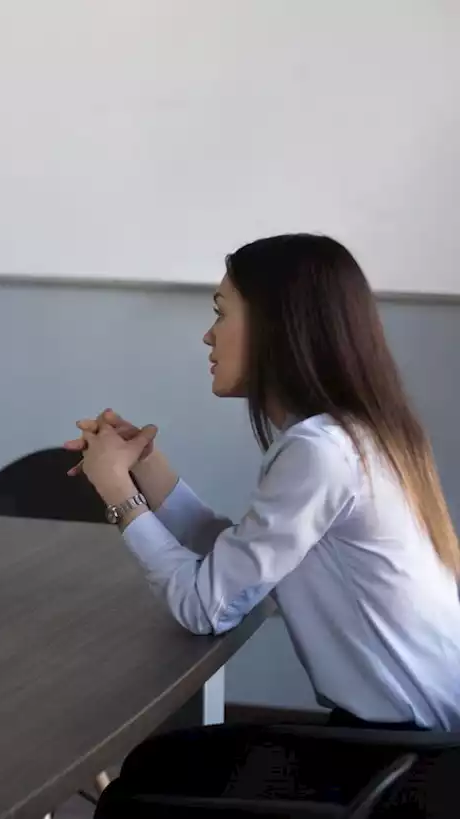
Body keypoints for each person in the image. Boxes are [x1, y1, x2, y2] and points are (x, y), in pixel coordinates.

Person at [65, 234, 460, 813]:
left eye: (222, 314)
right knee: (157, 764)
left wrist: (117, 493)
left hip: (408, 763)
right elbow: (240, 564)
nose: (208, 334)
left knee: (144, 786)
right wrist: (146, 469)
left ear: (279, 327)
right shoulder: (355, 436)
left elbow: (206, 606)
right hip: (420, 744)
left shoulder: (320, 452)